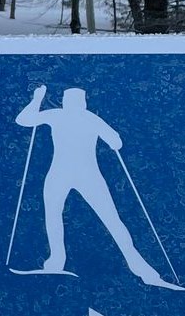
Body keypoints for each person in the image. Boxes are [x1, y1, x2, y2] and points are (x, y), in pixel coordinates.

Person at [15, 85, 175, 286]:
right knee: (67, 216)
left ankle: (142, 269)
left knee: (104, 219)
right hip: (70, 175)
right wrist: (37, 99)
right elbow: (116, 142)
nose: (73, 105)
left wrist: (37, 99)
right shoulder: (85, 117)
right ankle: (57, 260)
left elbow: (24, 119)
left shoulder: (65, 116)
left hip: (79, 175)